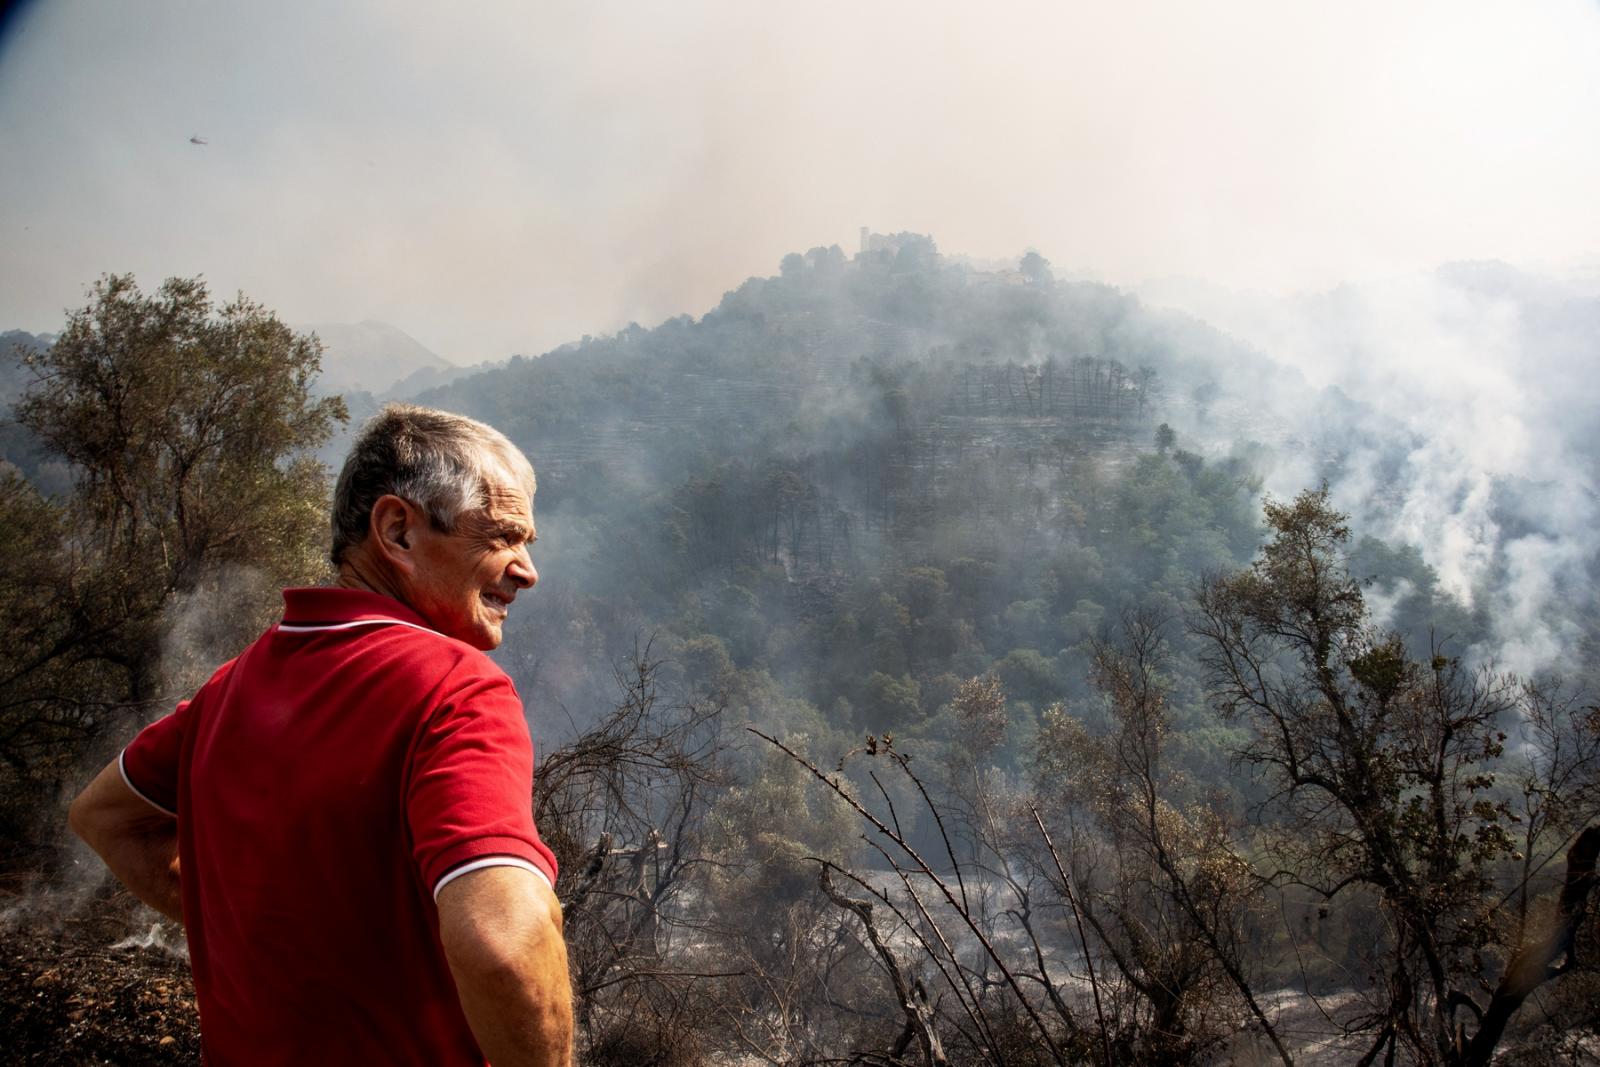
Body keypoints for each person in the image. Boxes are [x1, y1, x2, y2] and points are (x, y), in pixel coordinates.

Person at [68, 404, 573, 1066]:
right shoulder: (457, 690)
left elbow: (105, 817)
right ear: (396, 530)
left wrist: (258, 936)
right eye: (502, 537)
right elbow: (504, 946)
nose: (525, 569)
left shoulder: (233, 686)